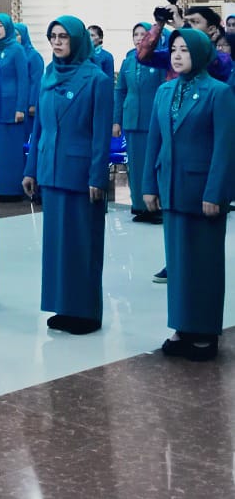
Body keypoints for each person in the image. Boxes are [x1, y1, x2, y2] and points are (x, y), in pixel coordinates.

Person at [143, 28, 235, 361]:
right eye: (174, 50)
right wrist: (148, 186)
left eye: (185, 49)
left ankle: (205, 331)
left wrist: (216, 192)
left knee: (204, 264)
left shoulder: (218, 93)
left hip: (202, 193)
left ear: (200, 53)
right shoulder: (164, 90)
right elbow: (154, 140)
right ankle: (182, 326)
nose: (178, 55)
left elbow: (225, 148)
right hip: (171, 187)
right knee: (179, 265)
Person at [22, 16, 113, 335]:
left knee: (82, 244)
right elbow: (39, 127)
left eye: (63, 36)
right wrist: (31, 168)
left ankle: (85, 313)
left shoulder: (97, 79)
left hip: (80, 173)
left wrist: (97, 176)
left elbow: (101, 135)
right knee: (57, 246)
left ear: (77, 40)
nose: (57, 42)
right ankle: (63, 305)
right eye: (53, 36)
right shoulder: (48, 73)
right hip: (50, 169)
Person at [114, 22, 166, 223]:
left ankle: (156, 206)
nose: (139, 38)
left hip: (153, 118)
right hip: (131, 119)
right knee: (135, 165)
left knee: (151, 163)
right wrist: (116, 121)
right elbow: (120, 91)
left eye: (143, 34)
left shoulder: (159, 60)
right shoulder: (128, 61)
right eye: (136, 34)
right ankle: (138, 205)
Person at [0, 13, 28, 201]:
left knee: (9, 151)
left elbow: (23, 80)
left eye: (0, 26)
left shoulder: (16, 49)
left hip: (11, 108)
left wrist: (21, 107)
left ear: (8, 28)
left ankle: (11, 189)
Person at [15, 22, 45, 138]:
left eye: (16, 35)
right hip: (16, 101)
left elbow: (36, 81)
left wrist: (33, 104)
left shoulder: (33, 56)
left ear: (23, 35)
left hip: (28, 102)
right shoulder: (12, 54)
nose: (14, 38)